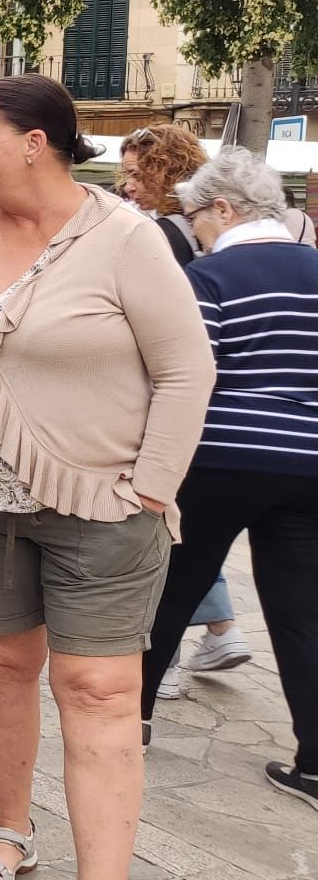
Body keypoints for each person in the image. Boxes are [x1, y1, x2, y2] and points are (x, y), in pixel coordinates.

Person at [0, 75, 212, 880]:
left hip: (102, 506)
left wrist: (150, 488)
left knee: (101, 691)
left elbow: (187, 370)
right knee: (1, 667)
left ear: (35, 143)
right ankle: (11, 828)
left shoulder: (126, 238)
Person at [143, 148, 318, 814]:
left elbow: (193, 374)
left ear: (222, 208)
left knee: (169, 590)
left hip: (221, 457)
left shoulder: (208, 276)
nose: (195, 232)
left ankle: (133, 721)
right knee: (304, 614)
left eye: (196, 218)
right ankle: (317, 763)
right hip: (311, 464)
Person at [118, 124, 252, 693]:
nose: (126, 186)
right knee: (183, 529)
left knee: (166, 532)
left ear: (161, 172)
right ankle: (218, 630)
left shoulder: (163, 236)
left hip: (164, 403)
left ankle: (166, 659)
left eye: (133, 173)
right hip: (208, 407)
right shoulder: (205, 235)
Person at [118, 123, 209, 264]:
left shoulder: (160, 233)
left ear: (168, 174)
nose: (128, 187)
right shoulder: (212, 219)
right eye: (127, 175)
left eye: (137, 176)